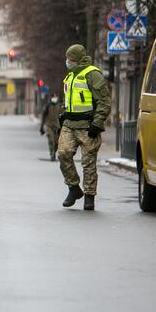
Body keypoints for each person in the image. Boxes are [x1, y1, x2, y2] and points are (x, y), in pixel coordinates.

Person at [57, 44, 111, 211]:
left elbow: (104, 102)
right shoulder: (70, 76)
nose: (67, 62)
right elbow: (67, 100)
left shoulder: (93, 74)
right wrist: (62, 115)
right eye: (67, 59)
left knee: (88, 163)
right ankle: (74, 188)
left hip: (88, 126)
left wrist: (97, 123)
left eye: (70, 59)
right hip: (69, 124)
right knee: (63, 153)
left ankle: (89, 196)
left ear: (78, 59)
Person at [40, 94, 61, 161]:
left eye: (55, 97)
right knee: (51, 140)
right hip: (48, 126)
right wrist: (41, 127)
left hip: (57, 126)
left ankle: (54, 152)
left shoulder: (59, 106)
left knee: (56, 142)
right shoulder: (47, 106)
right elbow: (43, 116)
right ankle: (52, 155)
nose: (54, 98)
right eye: (53, 97)